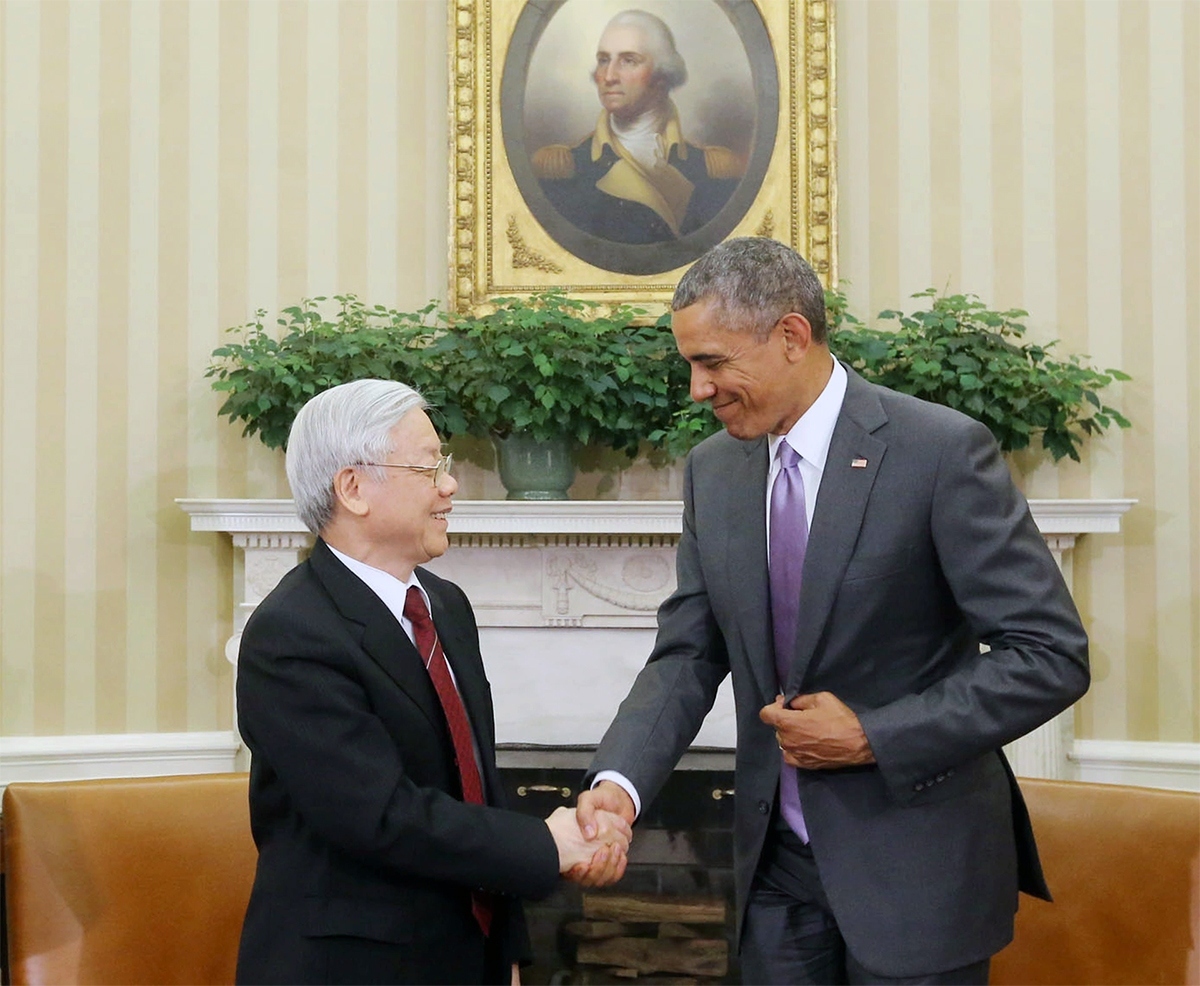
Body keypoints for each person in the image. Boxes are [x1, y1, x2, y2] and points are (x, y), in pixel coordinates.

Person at [573, 237, 1090, 984]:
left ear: (791, 336)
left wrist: (875, 734)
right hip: (775, 871)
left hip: (915, 871)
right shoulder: (713, 471)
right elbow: (689, 652)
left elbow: (1048, 655)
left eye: (714, 362)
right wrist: (618, 787)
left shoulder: (938, 452)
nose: (696, 388)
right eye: (689, 363)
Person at [235, 379, 630, 985]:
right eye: (429, 468)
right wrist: (546, 846)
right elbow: (382, 817)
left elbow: (478, 789)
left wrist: (510, 955)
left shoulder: (445, 607)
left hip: (467, 957)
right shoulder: (291, 635)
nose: (449, 486)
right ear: (354, 489)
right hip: (351, 967)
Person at [531, 9, 743, 244]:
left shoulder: (714, 170)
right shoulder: (562, 171)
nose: (609, 76)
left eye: (628, 60)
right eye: (603, 60)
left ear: (662, 74)